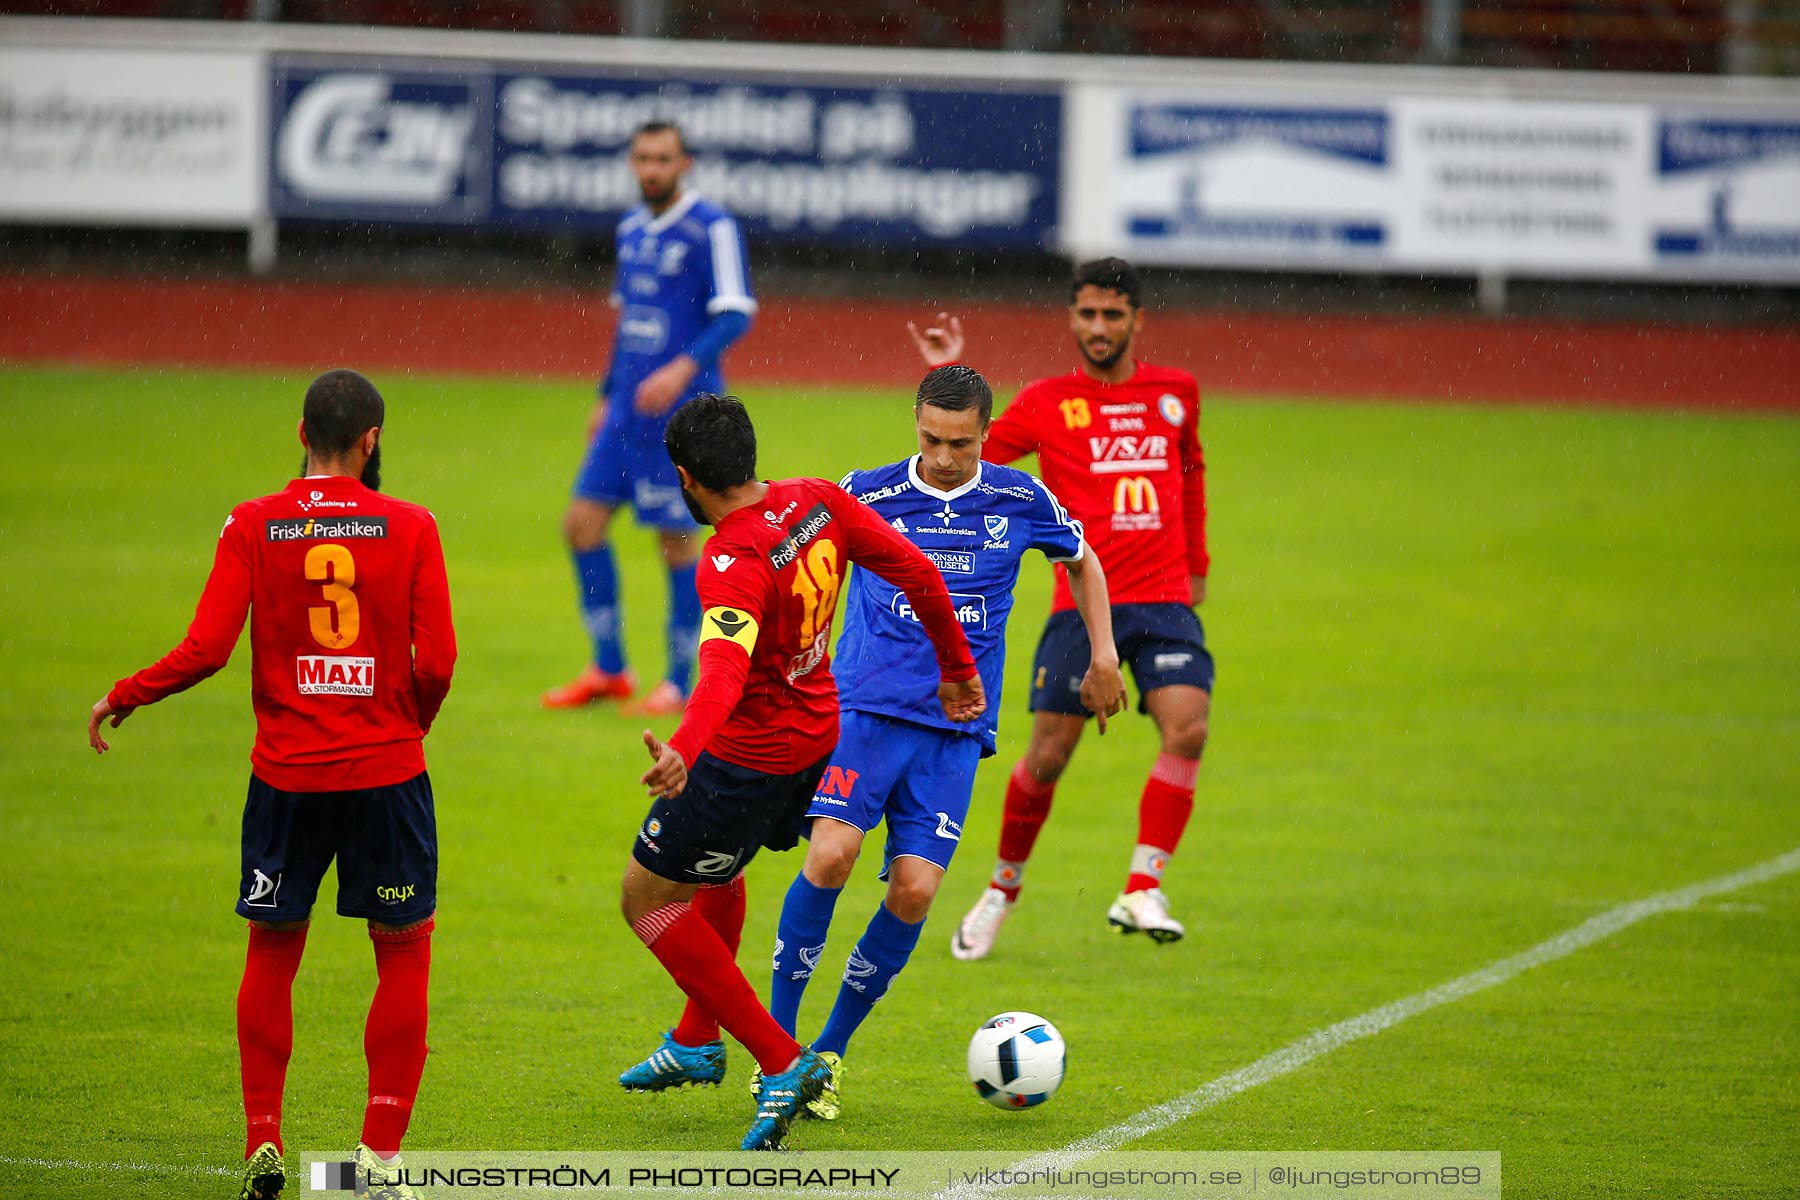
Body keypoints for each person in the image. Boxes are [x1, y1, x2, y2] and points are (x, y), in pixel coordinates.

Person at [86, 369, 455, 1200]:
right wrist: (407, 726)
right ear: (372, 441)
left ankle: (263, 1141)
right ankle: (378, 1162)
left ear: (300, 433)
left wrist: (127, 692)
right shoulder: (413, 526)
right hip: (386, 776)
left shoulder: (254, 523)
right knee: (402, 955)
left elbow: (208, 648)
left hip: (285, 779)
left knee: (273, 952)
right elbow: (437, 660)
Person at [758, 364, 1127, 1119]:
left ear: (987, 436)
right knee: (830, 857)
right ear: (915, 426)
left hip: (954, 734)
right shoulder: (868, 491)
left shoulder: (1019, 499)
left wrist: (1104, 653)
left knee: (916, 890)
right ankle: (776, 1053)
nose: (946, 455)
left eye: (961, 442)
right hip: (862, 712)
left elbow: (1084, 562)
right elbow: (795, 561)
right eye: (932, 438)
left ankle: (829, 1053)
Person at [619, 393, 985, 1151]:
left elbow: (720, 671)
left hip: (748, 759)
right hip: (820, 738)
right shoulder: (817, 501)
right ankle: (695, 1039)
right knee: (718, 871)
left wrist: (686, 746)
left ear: (686, 478)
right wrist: (956, 668)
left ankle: (781, 1060)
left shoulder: (730, 559)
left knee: (648, 900)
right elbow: (917, 572)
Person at [910, 257, 1214, 957]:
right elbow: (961, 458)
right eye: (1087, 314)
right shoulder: (1047, 401)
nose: (1099, 327)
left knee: (1188, 728)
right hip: (1082, 602)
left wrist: (1195, 564)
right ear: (1072, 318)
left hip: (1165, 597)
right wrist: (952, 373)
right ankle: (1001, 891)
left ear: (1138, 319)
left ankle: (1142, 886)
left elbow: (1191, 474)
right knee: (1047, 756)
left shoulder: (1177, 394)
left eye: (1113, 314)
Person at [543, 120, 757, 716]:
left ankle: (679, 681)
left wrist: (680, 370)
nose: (650, 169)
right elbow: (628, 323)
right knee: (581, 525)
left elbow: (737, 313)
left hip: (682, 417)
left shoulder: (710, 227)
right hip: (625, 416)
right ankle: (609, 667)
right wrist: (606, 395)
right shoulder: (632, 229)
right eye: (641, 158)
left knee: (677, 542)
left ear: (684, 163)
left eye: (662, 158)